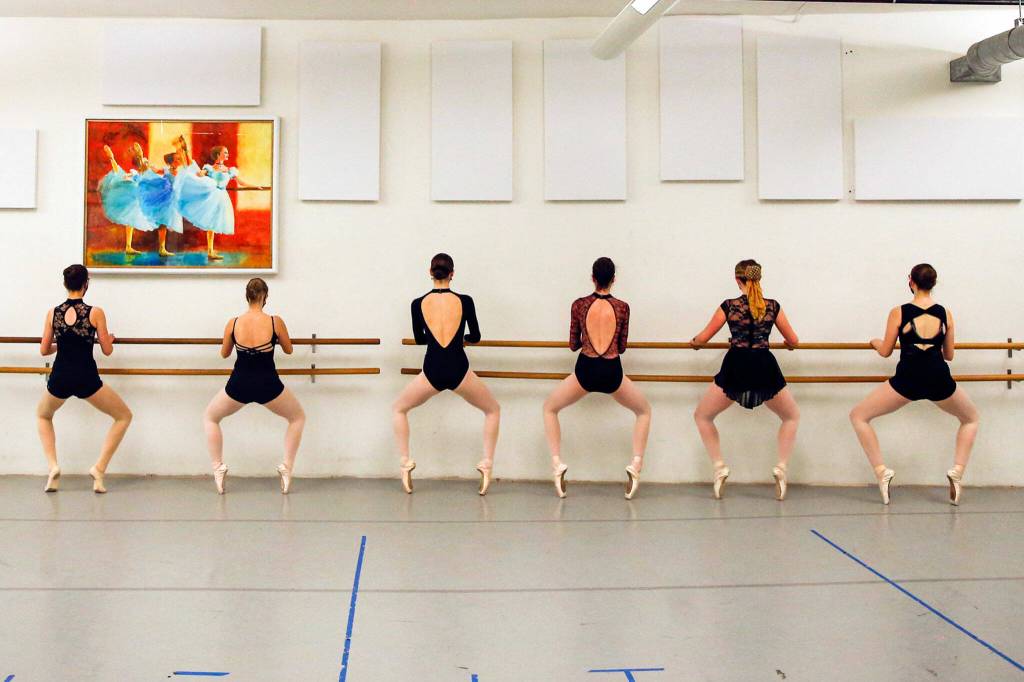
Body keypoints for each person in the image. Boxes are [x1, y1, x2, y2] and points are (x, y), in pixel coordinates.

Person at [849, 263, 979, 505]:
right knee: (970, 418)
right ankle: (957, 472)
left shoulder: (898, 311)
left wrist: (874, 342)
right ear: (933, 283)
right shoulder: (945, 313)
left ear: (911, 281)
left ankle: (881, 472)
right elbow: (949, 354)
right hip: (938, 377)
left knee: (858, 416)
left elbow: (886, 351)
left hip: (907, 379)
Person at [542, 257, 651, 500]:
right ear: (614, 279)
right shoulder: (623, 307)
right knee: (643, 411)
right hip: (612, 371)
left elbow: (573, 345)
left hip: (586, 370)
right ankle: (636, 464)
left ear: (592, 278)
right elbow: (621, 347)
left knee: (550, 408)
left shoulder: (579, 305)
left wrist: (588, 341)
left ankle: (557, 463)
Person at [691, 260, 800, 500]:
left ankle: (719, 467)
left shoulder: (729, 306)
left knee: (702, 415)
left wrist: (694, 343)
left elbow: (704, 337)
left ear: (737, 279)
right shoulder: (772, 306)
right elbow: (794, 340)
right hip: (764, 366)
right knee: (791, 416)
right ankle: (781, 467)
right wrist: (787, 346)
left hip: (736, 366)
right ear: (759, 279)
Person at [392, 253, 500, 495]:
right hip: (459, 368)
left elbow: (420, 338)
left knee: (399, 408)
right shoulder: (466, 301)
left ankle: (405, 463)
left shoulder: (417, 303)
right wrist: (463, 339)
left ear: (430, 273)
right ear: (452, 273)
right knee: (492, 410)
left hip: (432, 369)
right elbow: (476, 336)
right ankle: (487, 465)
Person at [202, 278, 305, 494]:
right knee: (297, 418)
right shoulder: (276, 322)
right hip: (269, 385)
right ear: (265, 296)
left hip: (239, 384)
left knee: (210, 418)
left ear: (247, 296)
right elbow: (289, 349)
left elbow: (224, 354)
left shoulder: (234, 322)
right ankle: (286, 468)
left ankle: (218, 468)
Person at [37, 264, 133, 493]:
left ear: (64, 284)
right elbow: (107, 350)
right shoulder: (95, 312)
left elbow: (44, 350)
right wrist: (107, 338)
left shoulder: (53, 313)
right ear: (86, 284)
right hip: (86, 378)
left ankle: (52, 467)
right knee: (123, 416)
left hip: (60, 376)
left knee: (43, 415)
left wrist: (63, 344)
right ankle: (99, 470)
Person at [98, 144, 153, 256]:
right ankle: (128, 246)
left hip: (134, 188)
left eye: (133, 150)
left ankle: (128, 246)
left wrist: (133, 176)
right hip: (130, 188)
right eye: (132, 150)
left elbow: (143, 175)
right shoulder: (136, 165)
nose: (130, 151)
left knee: (131, 218)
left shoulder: (143, 163)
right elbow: (121, 173)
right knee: (131, 216)